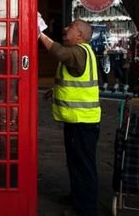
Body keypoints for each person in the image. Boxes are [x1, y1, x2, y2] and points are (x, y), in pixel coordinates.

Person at [38, 18, 100, 216]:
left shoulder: (78, 52)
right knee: (75, 162)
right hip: (78, 120)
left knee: (83, 166)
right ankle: (77, 197)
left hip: (82, 121)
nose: (65, 28)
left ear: (80, 35)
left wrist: (39, 33)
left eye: (71, 26)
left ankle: (86, 210)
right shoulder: (82, 52)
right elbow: (73, 78)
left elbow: (59, 53)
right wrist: (54, 89)